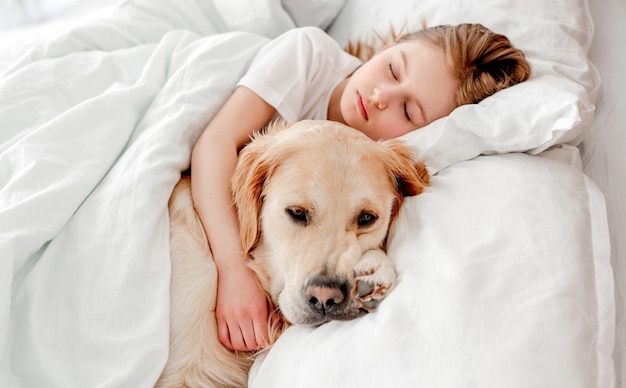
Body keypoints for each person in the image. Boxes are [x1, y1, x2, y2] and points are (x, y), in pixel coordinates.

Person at [190, 23, 531, 351]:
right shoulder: (307, 55)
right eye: (393, 70)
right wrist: (234, 272)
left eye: (408, 110)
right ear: (387, 48)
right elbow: (215, 142)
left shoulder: (379, 164)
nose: (381, 95)